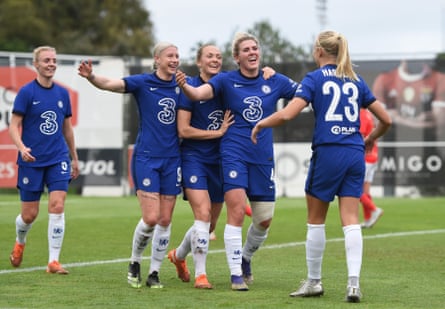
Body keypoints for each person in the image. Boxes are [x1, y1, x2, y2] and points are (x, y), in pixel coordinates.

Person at [251, 30, 392, 302]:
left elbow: (288, 114)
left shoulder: (314, 79)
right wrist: (370, 139)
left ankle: (314, 281)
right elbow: (385, 119)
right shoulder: (356, 80)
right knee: (350, 220)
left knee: (316, 220)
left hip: (328, 152)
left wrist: (261, 123)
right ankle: (353, 284)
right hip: (354, 154)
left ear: (318, 51)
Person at [176, 32, 298, 291]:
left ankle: (245, 258)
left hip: (262, 157)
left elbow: (304, 94)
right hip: (233, 153)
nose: (252, 52)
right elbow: (198, 94)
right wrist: (184, 85)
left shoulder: (273, 79)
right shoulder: (226, 80)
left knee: (264, 219)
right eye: (246, 50)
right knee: (236, 212)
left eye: (255, 48)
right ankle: (235, 276)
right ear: (237, 57)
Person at [78, 42, 181, 289]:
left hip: (173, 159)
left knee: (165, 219)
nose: (175, 59)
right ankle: (135, 261)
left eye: (177, 55)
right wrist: (91, 76)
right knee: (151, 217)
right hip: (146, 157)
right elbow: (110, 84)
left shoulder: (183, 85)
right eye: (170, 56)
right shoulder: (143, 83)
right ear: (157, 59)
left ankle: (154, 272)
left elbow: (212, 88)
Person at [168, 44, 270, 289]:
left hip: (221, 161)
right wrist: (217, 133)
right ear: (199, 62)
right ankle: (201, 275)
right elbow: (183, 130)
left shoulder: (227, 86)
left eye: (218, 56)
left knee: (209, 225)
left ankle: (178, 256)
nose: (214, 60)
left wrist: (268, 72)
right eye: (209, 56)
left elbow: (252, 85)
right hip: (194, 159)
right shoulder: (190, 88)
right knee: (202, 216)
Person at [9, 46, 80, 274]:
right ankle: (20, 241)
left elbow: (67, 129)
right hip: (32, 159)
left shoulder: (62, 93)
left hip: (57, 157)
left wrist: (74, 158)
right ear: (36, 64)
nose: (51, 64)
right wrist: (21, 147)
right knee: (29, 215)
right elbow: (13, 125)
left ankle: (53, 261)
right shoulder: (26, 92)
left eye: (54, 60)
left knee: (57, 206)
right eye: (46, 60)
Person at [359, 108, 383, 228]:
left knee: (355, 189)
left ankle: (374, 209)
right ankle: (368, 220)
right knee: (365, 191)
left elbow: (361, 135)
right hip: (373, 156)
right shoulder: (368, 113)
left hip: (365, 157)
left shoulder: (362, 114)